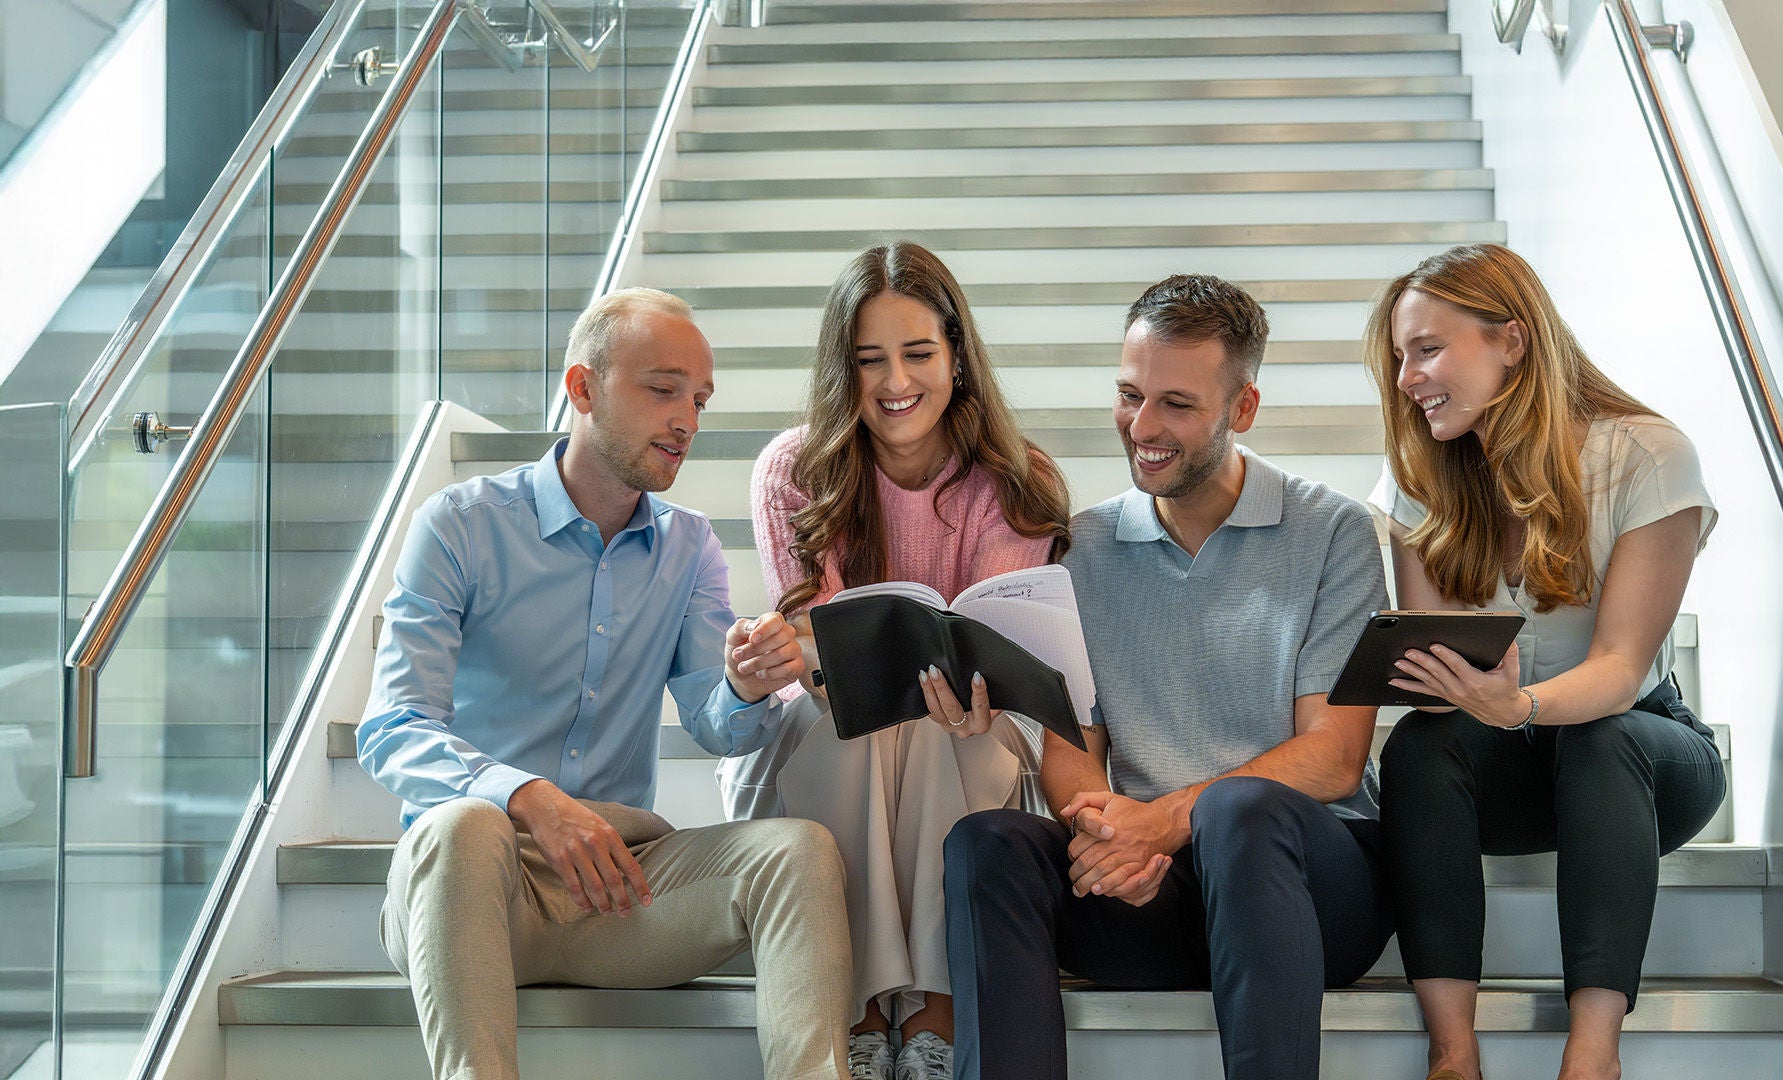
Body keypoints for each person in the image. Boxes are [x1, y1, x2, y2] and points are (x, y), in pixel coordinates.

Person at [358, 288, 855, 1080]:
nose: (687, 420)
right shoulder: (458, 524)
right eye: (663, 390)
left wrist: (746, 684)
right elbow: (391, 727)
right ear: (583, 388)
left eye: (699, 399)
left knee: (798, 851)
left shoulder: (689, 547)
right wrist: (528, 797)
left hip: (617, 890)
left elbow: (713, 722)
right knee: (462, 829)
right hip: (475, 891)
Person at [943, 273, 1395, 1080]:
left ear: (1243, 408)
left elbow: (1333, 756)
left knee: (1240, 809)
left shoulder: (1332, 532)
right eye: (1128, 394)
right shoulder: (1082, 547)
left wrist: (1168, 820)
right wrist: (1111, 837)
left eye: (1176, 405)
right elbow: (1074, 742)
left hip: (1305, 895)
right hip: (1150, 891)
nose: (1142, 427)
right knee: (988, 844)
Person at [1364, 243, 1725, 1080]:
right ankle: (1454, 1057)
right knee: (1419, 747)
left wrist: (1519, 708)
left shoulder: (1646, 455)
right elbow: (1442, 677)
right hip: (1511, 766)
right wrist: (1454, 692)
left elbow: (1621, 668)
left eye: (1427, 348)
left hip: (1644, 756)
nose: (1408, 378)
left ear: (1513, 343)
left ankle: (1592, 1054)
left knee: (1605, 735)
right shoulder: (1421, 475)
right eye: (1398, 358)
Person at [717, 241, 1072, 1080]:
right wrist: (784, 652)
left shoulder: (1019, 478)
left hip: (976, 726)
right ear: (845, 369)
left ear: (957, 355)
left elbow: (996, 638)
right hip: (835, 723)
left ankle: (935, 1003)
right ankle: (867, 1004)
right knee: (861, 713)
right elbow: (817, 645)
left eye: (917, 353)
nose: (894, 382)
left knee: (941, 723)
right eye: (869, 359)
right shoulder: (794, 469)